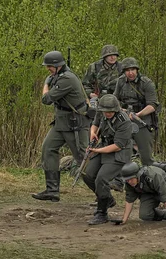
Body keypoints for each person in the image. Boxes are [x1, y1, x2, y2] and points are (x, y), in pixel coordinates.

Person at [32, 50, 89, 202]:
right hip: (61, 122)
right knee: (48, 148)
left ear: (58, 66)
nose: (48, 69)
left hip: (74, 124)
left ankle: (103, 191)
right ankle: (52, 190)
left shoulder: (67, 79)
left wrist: (46, 83)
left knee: (82, 157)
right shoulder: (59, 76)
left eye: (50, 66)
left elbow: (46, 99)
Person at [82, 94, 133, 225]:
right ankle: (107, 198)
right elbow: (95, 124)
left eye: (110, 111)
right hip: (104, 147)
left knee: (101, 178)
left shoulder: (124, 121)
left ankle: (102, 212)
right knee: (88, 175)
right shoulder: (101, 112)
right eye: (105, 111)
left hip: (118, 153)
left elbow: (118, 146)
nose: (108, 114)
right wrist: (92, 133)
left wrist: (96, 151)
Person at [114, 57, 160, 166]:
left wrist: (137, 115)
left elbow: (153, 105)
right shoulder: (120, 81)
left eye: (133, 70)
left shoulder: (146, 83)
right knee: (120, 152)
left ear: (137, 70)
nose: (130, 73)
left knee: (146, 157)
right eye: (127, 70)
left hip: (142, 120)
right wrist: (122, 110)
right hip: (124, 118)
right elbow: (114, 100)